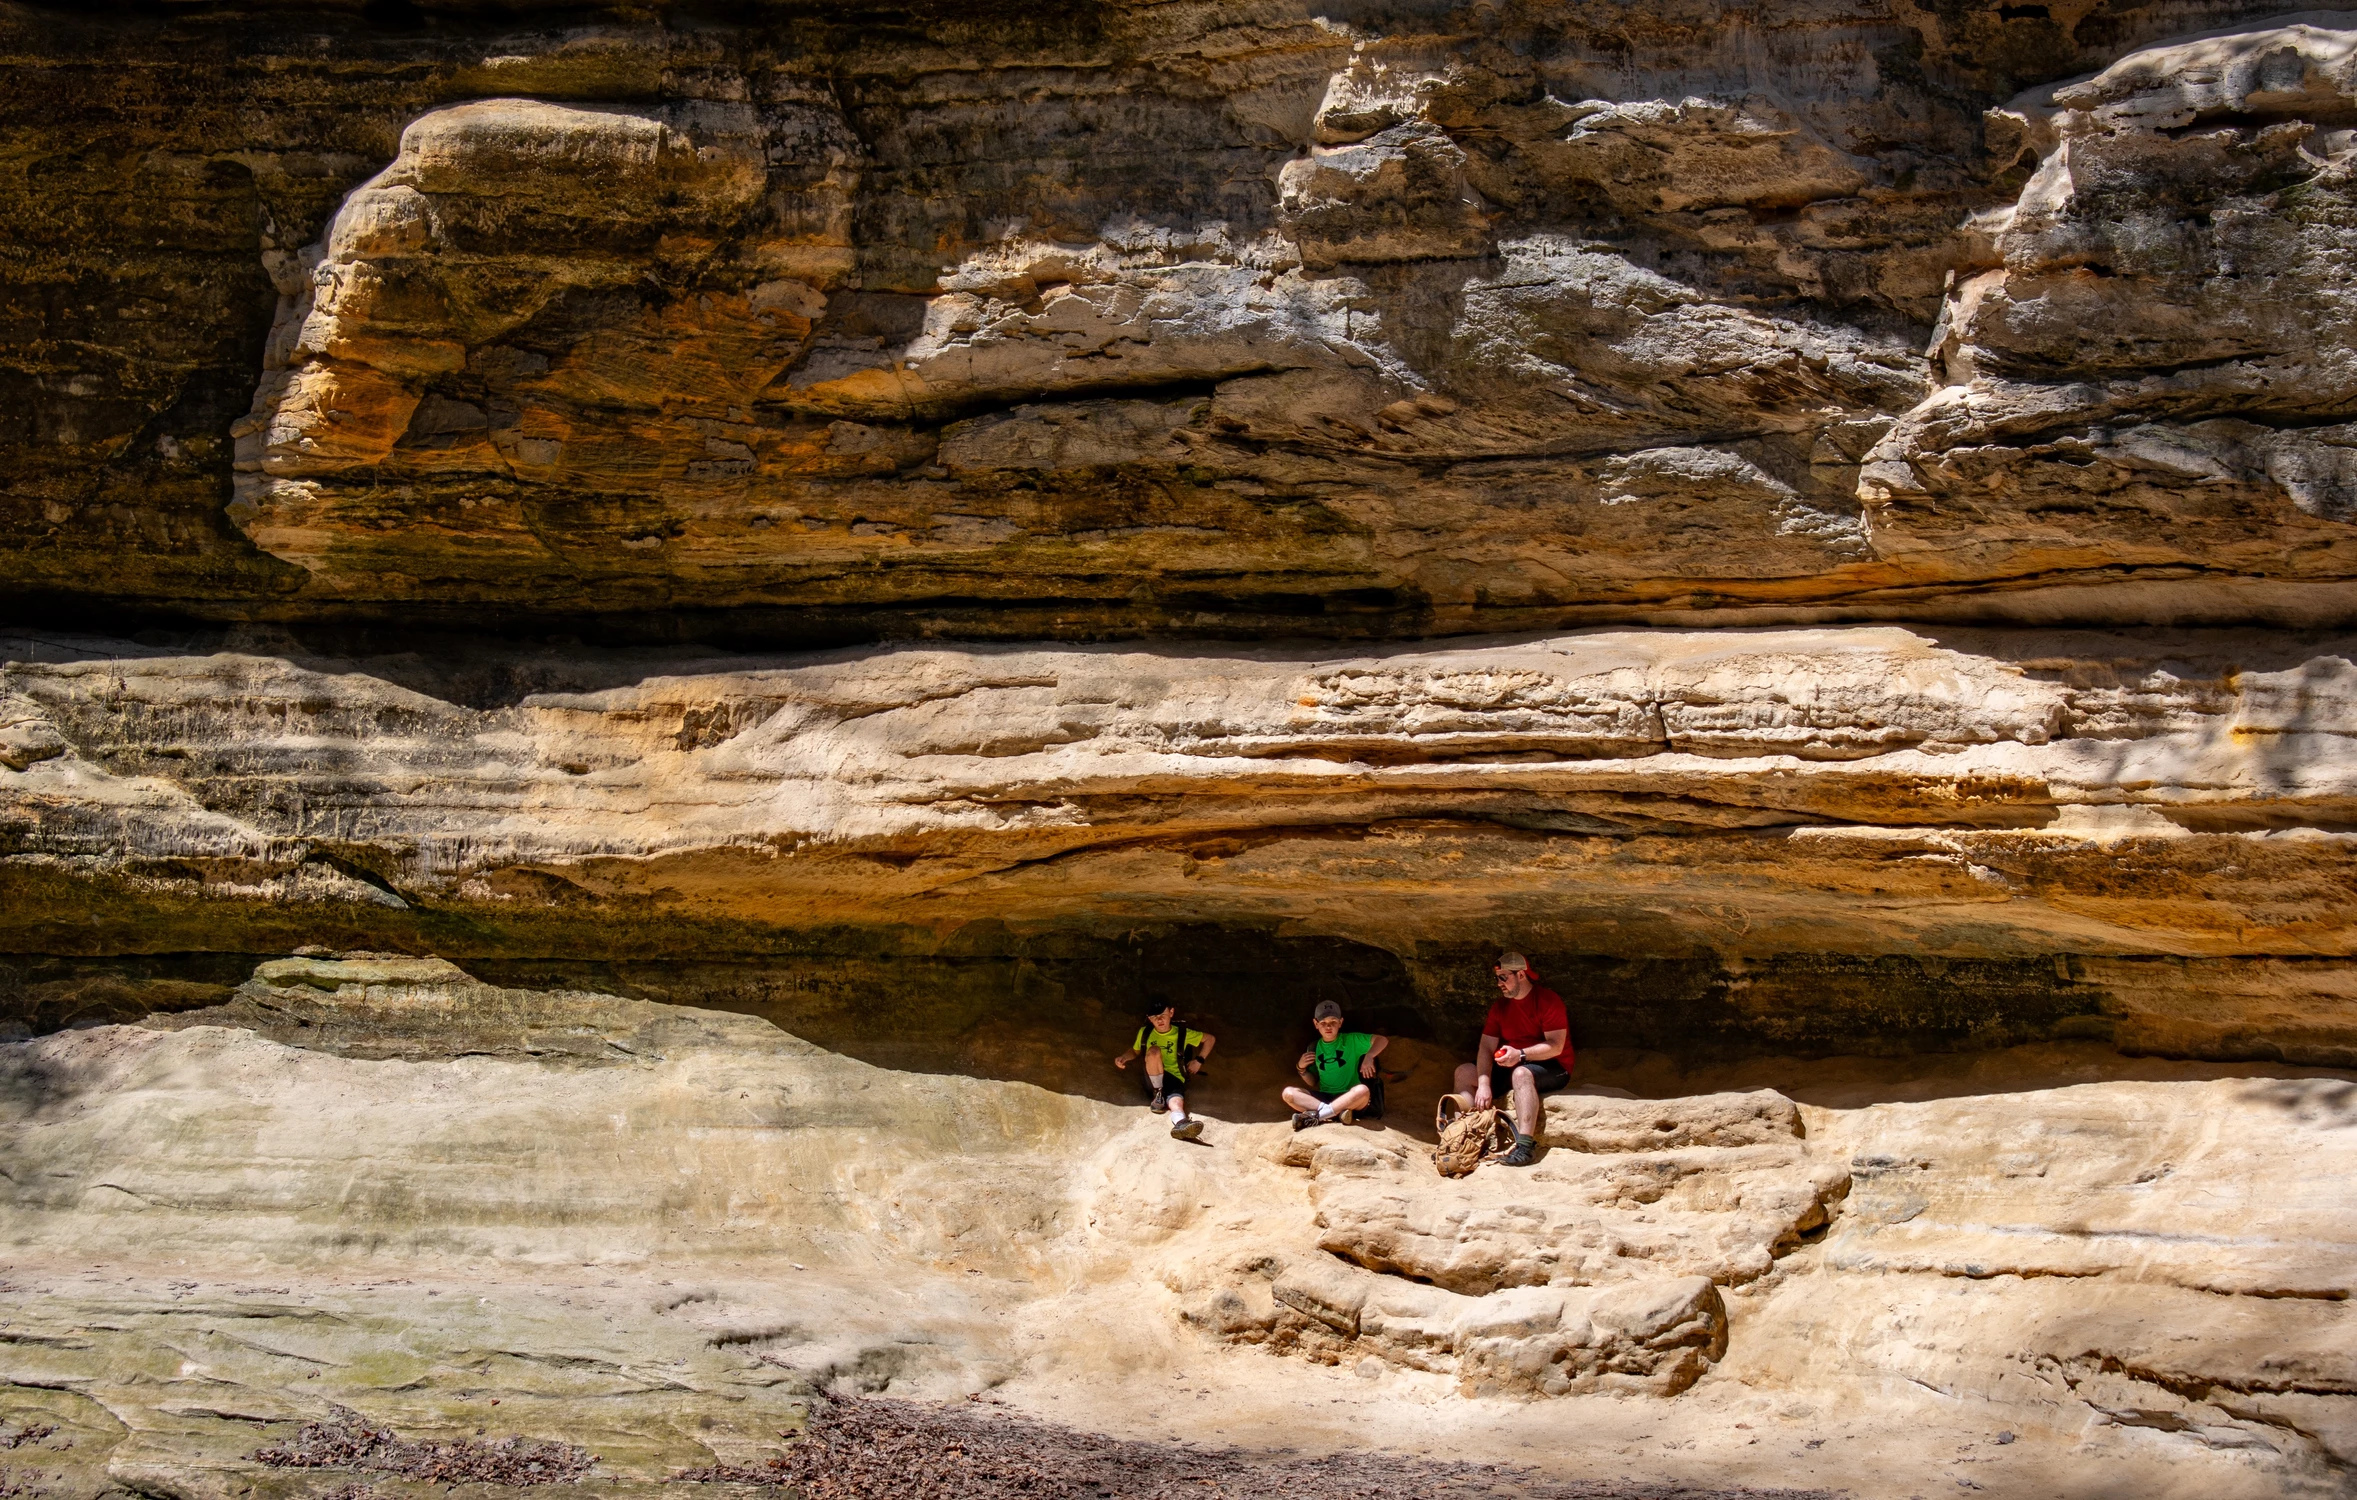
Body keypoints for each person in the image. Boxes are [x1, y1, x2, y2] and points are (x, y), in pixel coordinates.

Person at [1451, 951, 1572, 1167]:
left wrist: (1521, 1054)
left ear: (1522, 975)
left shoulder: (1547, 1001)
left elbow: (1556, 1046)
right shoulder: (1500, 1007)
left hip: (1553, 1065)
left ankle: (1525, 1146)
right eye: (1497, 978)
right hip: (1513, 1061)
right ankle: (1462, 1139)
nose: (1499, 983)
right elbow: (1486, 1046)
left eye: (1504, 977)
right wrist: (1484, 1084)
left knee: (1521, 1073)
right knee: (1463, 1072)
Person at [1283, 999, 1388, 1131]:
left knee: (1362, 1090)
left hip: (1350, 1098)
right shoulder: (1314, 1047)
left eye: (1333, 1022)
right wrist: (1301, 1068)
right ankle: (1335, 1113)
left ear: (1340, 1022)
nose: (1328, 1026)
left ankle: (1318, 1116)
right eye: (1323, 1023)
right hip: (1324, 1099)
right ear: (1316, 1024)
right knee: (1288, 1093)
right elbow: (1312, 1082)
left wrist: (1370, 1055)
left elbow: (1381, 1040)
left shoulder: (1351, 1040)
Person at [1113, 1004, 1214, 1140]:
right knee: (1154, 1051)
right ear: (1149, 1019)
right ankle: (1158, 1093)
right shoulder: (1145, 1032)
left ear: (1171, 1013)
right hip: (1153, 1078)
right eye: (1155, 1018)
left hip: (1175, 1077)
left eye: (1163, 1016)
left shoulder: (1182, 1033)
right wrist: (1124, 1057)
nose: (1159, 1020)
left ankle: (1181, 1125)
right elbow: (1135, 1051)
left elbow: (1209, 1039)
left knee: (1177, 1104)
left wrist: (1198, 1061)